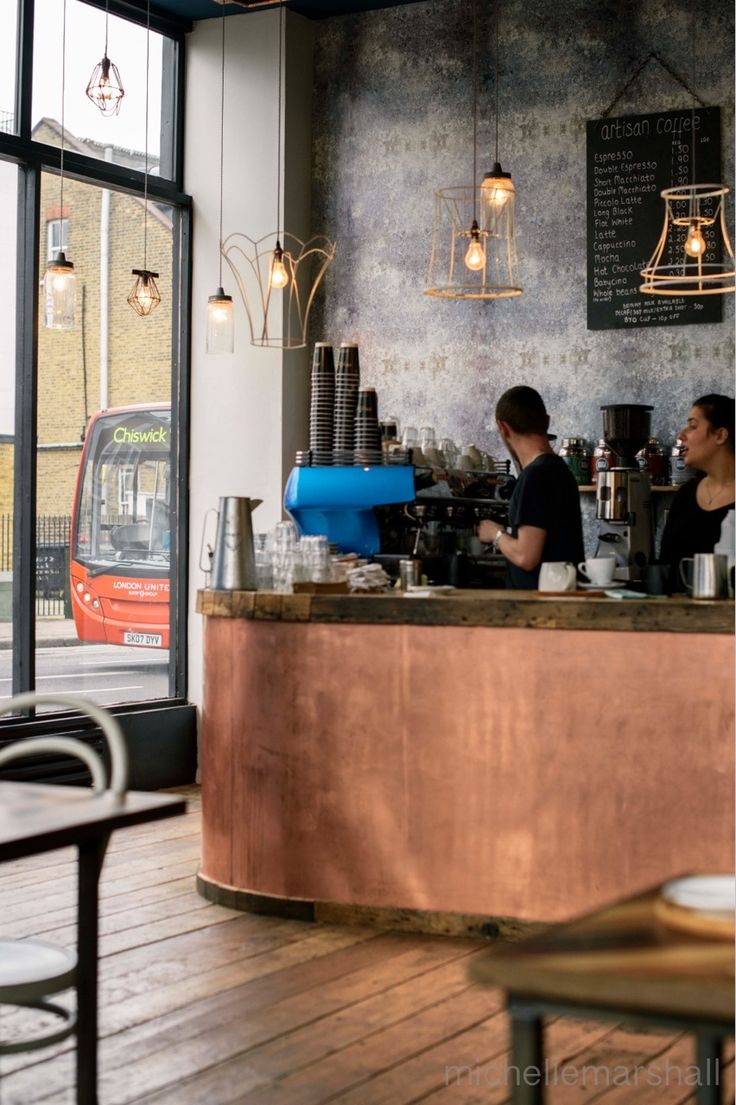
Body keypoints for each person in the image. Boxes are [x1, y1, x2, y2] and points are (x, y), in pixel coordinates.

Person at [479, 385, 584, 589]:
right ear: (547, 421)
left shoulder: (534, 477)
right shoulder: (561, 470)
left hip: (539, 609)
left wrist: (496, 534)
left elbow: (526, 557)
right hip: (562, 602)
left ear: (503, 427)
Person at [659, 394, 735, 591]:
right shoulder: (685, 495)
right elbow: (665, 567)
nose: (680, 436)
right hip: (678, 617)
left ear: (720, 435)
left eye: (693, 426)